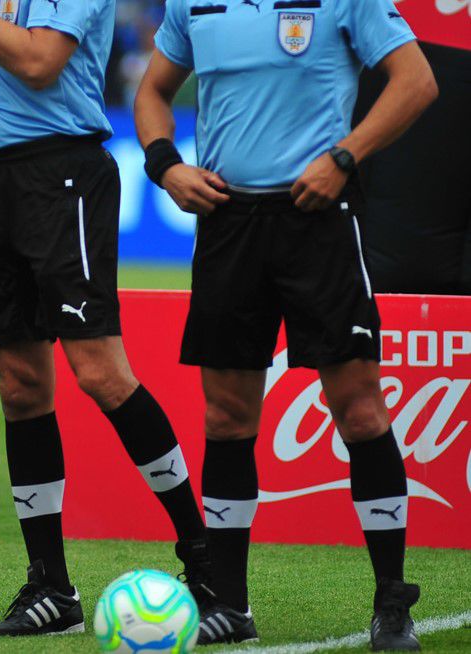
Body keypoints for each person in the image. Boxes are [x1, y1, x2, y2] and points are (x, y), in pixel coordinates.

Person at [133, 0, 437, 649]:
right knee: (225, 417)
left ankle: (391, 603)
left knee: (357, 408)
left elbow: (415, 80)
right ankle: (230, 606)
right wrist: (165, 165)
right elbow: (152, 91)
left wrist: (344, 157)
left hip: (317, 223)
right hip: (226, 224)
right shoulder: (190, 3)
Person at [0, 0, 213, 638]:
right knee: (18, 384)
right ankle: (51, 586)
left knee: (101, 373)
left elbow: (38, 62)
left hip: (64, 175)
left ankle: (200, 553)